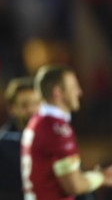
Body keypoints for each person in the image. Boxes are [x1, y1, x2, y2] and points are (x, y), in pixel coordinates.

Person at [21, 64, 112, 200]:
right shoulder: (56, 128)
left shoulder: (38, 121)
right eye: (74, 87)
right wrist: (102, 178)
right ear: (57, 92)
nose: (79, 92)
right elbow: (73, 186)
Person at [0, 77, 40, 200]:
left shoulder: (46, 136)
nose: (31, 110)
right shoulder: (3, 147)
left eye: (36, 104)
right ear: (12, 109)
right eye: (24, 105)